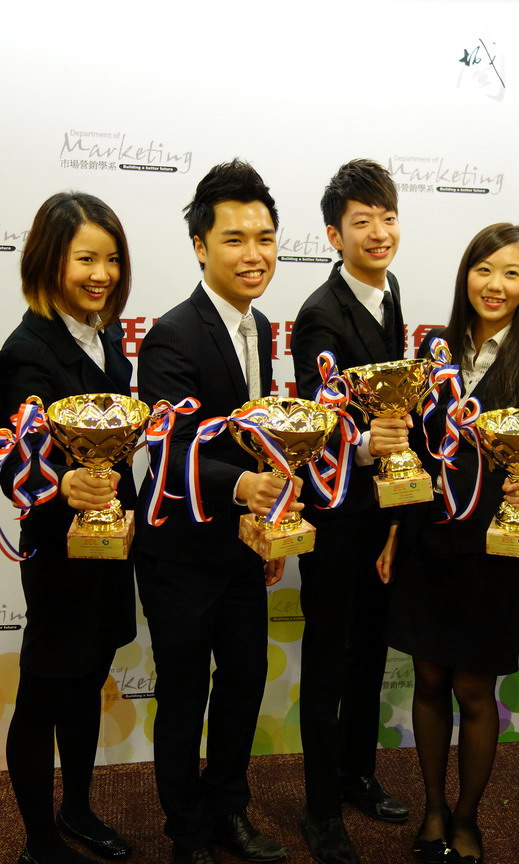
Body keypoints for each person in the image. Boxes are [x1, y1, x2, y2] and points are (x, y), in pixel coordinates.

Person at [379, 223, 519, 864]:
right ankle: (433, 809)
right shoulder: (432, 350)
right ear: (466, 276)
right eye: (484, 269)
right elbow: (410, 448)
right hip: (426, 539)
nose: (495, 284)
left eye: (512, 272)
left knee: (475, 691)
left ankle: (466, 817)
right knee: (429, 681)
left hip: (492, 548)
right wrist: (394, 531)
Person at [134, 160, 291, 864]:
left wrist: (267, 520)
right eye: (234, 239)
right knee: (184, 694)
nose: (253, 254)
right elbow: (169, 450)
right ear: (200, 246)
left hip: (241, 546)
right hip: (180, 551)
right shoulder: (172, 334)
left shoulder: (262, 326)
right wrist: (242, 488)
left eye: (264, 237)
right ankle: (188, 832)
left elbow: (254, 436)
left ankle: (229, 808)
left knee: (245, 682)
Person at [0, 192, 137, 864]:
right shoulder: (27, 351)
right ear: (50, 260)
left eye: (111, 259)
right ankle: (38, 840)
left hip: (111, 542)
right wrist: (61, 486)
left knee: (87, 683)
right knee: (44, 694)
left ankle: (77, 808)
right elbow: (10, 464)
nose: (101, 274)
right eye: (86, 259)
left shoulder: (105, 334)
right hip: (58, 551)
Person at [291, 158, 411, 864]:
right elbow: (318, 427)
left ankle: (357, 772)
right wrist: (366, 446)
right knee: (330, 661)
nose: (379, 232)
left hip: (382, 516)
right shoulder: (319, 315)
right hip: (335, 518)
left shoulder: (392, 294)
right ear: (334, 235)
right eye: (362, 221)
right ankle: (319, 808)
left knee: (371, 651)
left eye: (388, 218)